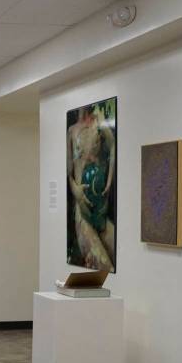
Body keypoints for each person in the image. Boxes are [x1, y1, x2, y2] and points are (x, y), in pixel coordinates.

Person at [66, 103, 116, 271]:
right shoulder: (72, 131)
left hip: (99, 209)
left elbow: (113, 145)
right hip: (82, 212)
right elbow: (68, 173)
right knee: (105, 268)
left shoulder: (98, 124)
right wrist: (76, 190)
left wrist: (109, 180)